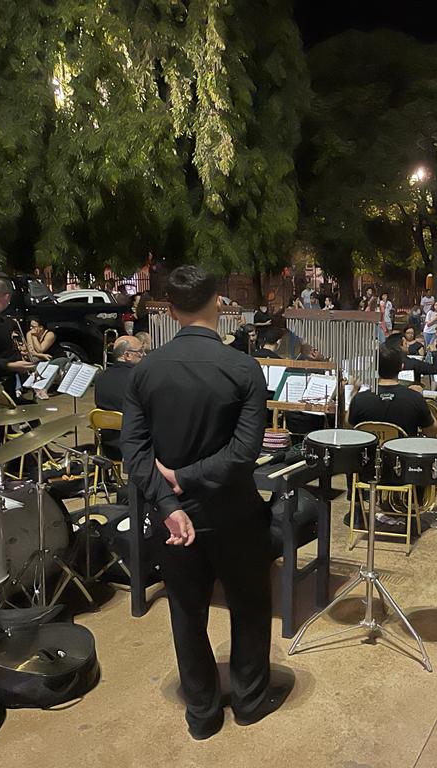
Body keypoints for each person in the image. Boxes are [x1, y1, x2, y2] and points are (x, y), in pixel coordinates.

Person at [122, 265, 288, 741]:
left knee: (186, 613)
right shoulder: (244, 368)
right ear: (219, 302)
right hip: (235, 513)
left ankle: (202, 715)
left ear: (169, 311)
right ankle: (251, 702)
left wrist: (167, 499)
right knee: (251, 607)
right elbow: (243, 455)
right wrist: (190, 476)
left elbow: (133, 451)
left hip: (175, 519)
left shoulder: (145, 369)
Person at [348, 344, 437, 437]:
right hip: (404, 449)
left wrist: (354, 392)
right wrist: (421, 399)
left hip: (372, 450)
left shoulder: (360, 399)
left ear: (375, 368)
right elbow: (432, 431)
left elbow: (349, 426)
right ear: (402, 367)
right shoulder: (415, 398)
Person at [95, 335, 146, 456]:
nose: (144, 355)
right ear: (127, 355)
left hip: (108, 445)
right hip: (137, 445)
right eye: (140, 352)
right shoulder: (138, 378)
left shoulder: (100, 377)